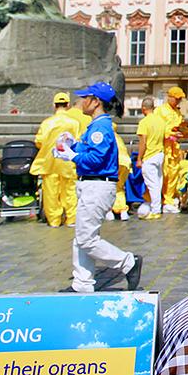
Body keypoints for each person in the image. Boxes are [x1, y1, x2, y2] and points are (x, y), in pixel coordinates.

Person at [55, 82, 142, 293]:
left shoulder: (101, 127)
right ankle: (82, 283)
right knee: (81, 236)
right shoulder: (96, 125)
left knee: (86, 238)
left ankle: (127, 262)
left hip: (97, 185)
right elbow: (91, 150)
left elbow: (96, 158)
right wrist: (71, 145)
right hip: (90, 184)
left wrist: (73, 155)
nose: (80, 102)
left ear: (95, 102)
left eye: (85, 98)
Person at [31, 93, 80, 228]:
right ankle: (72, 218)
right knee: (70, 190)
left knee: (51, 192)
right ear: (68, 105)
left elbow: (39, 141)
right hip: (68, 161)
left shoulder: (47, 123)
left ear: (54, 105)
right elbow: (78, 140)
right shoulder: (74, 123)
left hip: (50, 161)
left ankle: (54, 220)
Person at [156, 87, 188, 213]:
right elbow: (158, 128)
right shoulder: (161, 111)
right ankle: (163, 199)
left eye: (180, 99)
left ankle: (170, 198)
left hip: (174, 148)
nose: (178, 101)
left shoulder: (177, 112)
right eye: (177, 98)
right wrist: (170, 134)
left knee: (174, 173)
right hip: (164, 147)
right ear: (169, 97)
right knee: (164, 173)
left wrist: (184, 132)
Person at [135, 97, 166, 220]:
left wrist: (139, 158)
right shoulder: (161, 121)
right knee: (158, 183)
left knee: (152, 184)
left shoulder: (144, 122)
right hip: (160, 153)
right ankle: (158, 207)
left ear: (143, 108)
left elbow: (143, 142)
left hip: (150, 155)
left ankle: (155, 210)